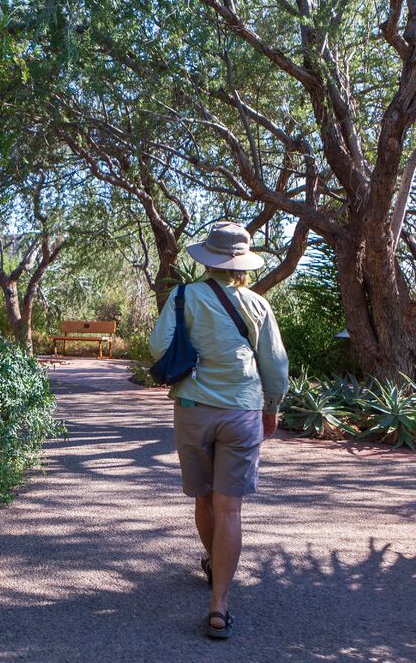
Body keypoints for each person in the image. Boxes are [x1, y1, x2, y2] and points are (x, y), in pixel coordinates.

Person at [148, 221, 289, 639]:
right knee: (231, 508)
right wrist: (272, 407)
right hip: (243, 411)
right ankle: (220, 605)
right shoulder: (257, 305)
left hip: (192, 407)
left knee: (205, 499)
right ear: (242, 264)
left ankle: (214, 562)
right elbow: (275, 367)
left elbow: (158, 348)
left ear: (207, 259)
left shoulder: (182, 296)